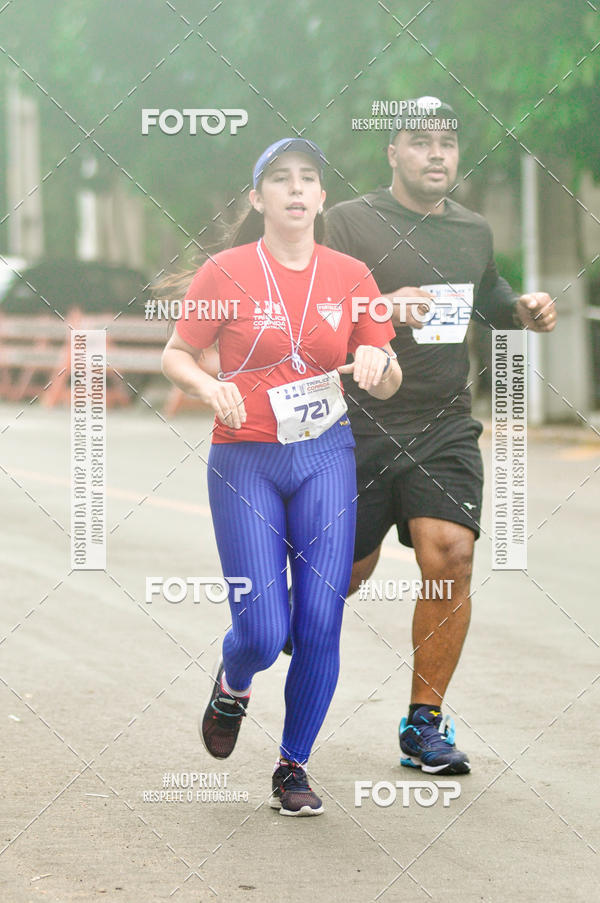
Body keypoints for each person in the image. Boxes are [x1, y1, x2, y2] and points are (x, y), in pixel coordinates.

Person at [161, 138, 400, 815]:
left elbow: (382, 362)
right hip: (245, 459)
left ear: (323, 198)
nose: (297, 189)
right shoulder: (226, 271)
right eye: (281, 179)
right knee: (265, 631)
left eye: (309, 179)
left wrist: (383, 370)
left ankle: (292, 765)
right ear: (258, 197)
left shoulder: (353, 274)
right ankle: (234, 680)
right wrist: (210, 388)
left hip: (325, 454)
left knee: (321, 620)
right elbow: (178, 354)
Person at [324, 97, 557, 774]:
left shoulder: (473, 230)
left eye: (447, 144)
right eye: (420, 141)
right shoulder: (351, 222)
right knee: (346, 574)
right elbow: (314, 311)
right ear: (392, 151)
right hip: (358, 421)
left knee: (450, 553)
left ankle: (424, 722)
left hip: (443, 423)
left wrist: (519, 309)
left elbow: (485, 295)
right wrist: (380, 308)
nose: (436, 154)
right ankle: (272, 630)